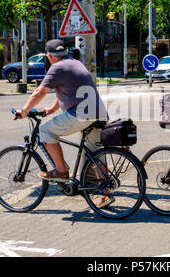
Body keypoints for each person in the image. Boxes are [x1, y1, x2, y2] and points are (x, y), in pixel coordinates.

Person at [16, 39, 112, 207]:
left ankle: (61, 171)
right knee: (95, 153)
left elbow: (39, 92)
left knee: (45, 131)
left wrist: (23, 111)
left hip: (80, 114)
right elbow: (66, 90)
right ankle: (105, 192)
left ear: (50, 56)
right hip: (98, 113)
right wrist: (52, 109)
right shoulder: (74, 63)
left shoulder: (57, 67)